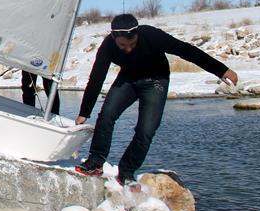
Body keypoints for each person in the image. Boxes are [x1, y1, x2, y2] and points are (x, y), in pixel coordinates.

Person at [74, 13, 238, 185]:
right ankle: (95, 162)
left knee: (146, 130)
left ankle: (126, 172)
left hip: (156, 81)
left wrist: (221, 70)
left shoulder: (152, 35)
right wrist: (84, 112)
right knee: (107, 115)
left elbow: (186, 51)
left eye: (132, 44)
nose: (128, 49)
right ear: (114, 37)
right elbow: (96, 78)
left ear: (137, 35)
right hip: (128, 79)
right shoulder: (108, 45)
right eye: (123, 45)